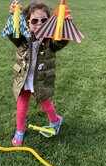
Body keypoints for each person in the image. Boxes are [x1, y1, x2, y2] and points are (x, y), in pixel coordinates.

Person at [6, 0, 71, 146]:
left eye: (44, 20)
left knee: (45, 104)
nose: (39, 24)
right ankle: (20, 131)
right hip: (24, 79)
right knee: (21, 107)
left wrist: (64, 24)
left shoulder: (50, 40)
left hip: (39, 80)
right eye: (34, 21)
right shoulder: (22, 38)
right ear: (27, 23)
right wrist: (13, 15)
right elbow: (13, 33)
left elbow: (59, 42)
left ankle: (55, 121)